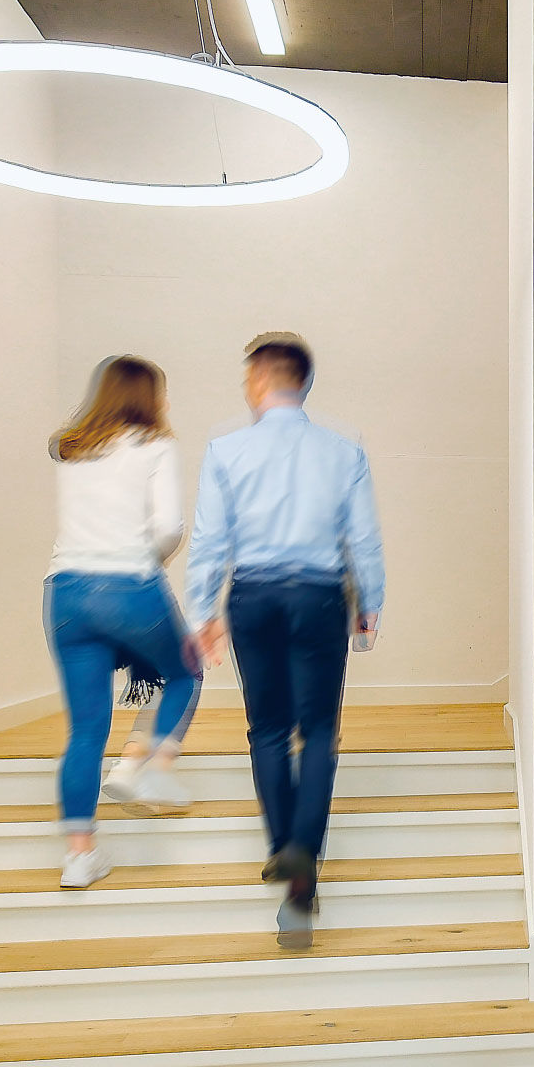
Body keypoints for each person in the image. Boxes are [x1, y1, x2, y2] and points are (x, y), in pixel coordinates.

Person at [186, 333, 385, 947]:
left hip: (254, 597)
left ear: (258, 381)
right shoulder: (343, 451)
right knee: (319, 731)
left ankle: (284, 848)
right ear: (303, 383)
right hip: (320, 596)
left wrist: (204, 612)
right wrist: (368, 606)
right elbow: (365, 540)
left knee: (267, 727)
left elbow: (209, 542)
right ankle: (303, 869)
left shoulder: (225, 450)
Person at [44, 356, 202, 889]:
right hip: (128, 585)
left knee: (87, 727)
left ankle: (79, 856)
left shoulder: (71, 448)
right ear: (148, 396)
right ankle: (147, 768)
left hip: (65, 593)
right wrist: (150, 558)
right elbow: (169, 526)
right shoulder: (156, 445)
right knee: (183, 670)